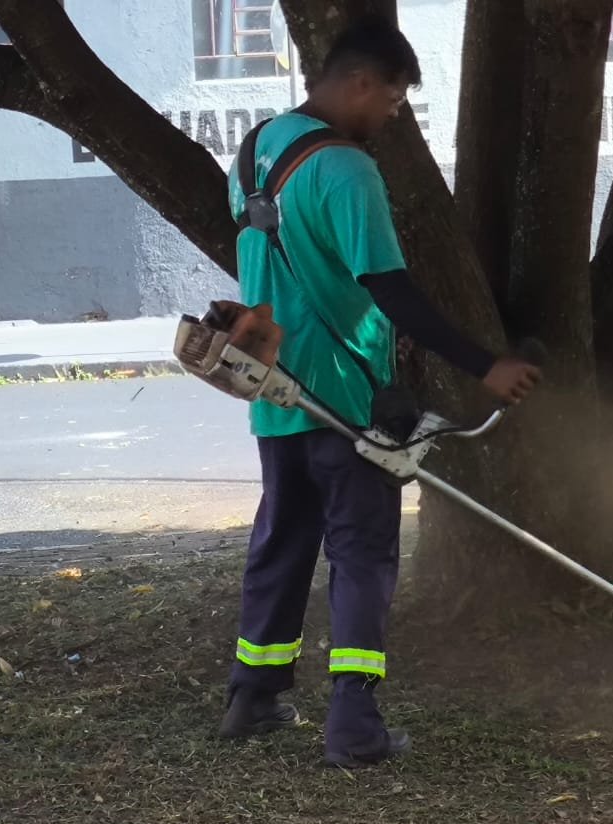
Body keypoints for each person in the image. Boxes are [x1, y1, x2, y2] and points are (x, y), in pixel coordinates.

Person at [219, 14, 541, 769]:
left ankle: (252, 697)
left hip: (274, 391)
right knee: (363, 555)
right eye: (393, 101)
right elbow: (390, 289)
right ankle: (353, 725)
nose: (393, 116)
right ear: (360, 82)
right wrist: (483, 364)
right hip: (345, 402)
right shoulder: (348, 171)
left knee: (282, 541)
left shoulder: (255, 150)